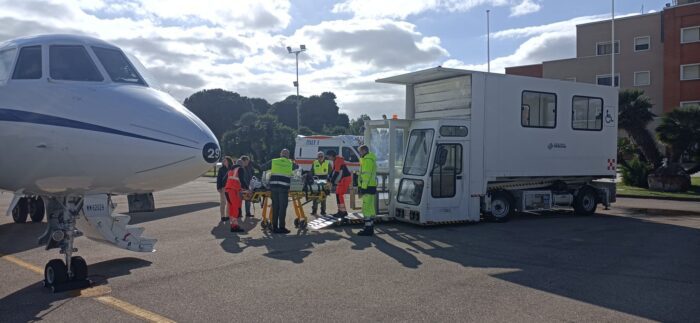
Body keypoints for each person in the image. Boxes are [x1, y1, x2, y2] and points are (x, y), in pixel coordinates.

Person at [265, 149, 297, 234]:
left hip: (274, 187)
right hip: (283, 188)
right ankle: (281, 227)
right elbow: (298, 171)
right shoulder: (291, 163)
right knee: (282, 208)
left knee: (275, 207)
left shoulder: (274, 161)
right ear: (288, 155)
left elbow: (262, 168)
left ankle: (274, 227)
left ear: (280, 154)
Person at [356, 145, 377, 236]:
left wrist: (362, 188)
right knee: (371, 208)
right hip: (371, 186)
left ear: (364, 151)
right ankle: (370, 227)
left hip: (367, 187)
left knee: (366, 208)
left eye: (360, 151)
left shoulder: (367, 160)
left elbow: (366, 175)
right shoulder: (369, 159)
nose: (359, 153)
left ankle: (368, 229)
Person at [327, 150, 352, 219]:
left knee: (339, 194)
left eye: (328, 157)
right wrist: (329, 178)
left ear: (332, 155)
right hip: (343, 179)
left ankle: (342, 212)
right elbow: (333, 170)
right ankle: (341, 211)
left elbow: (337, 172)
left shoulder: (338, 160)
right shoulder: (336, 160)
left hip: (345, 179)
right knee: (338, 194)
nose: (328, 158)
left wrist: (331, 181)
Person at [225, 157, 246, 233]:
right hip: (233, 191)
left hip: (227, 190)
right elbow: (242, 180)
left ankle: (233, 225)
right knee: (236, 207)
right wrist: (247, 188)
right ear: (241, 164)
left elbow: (225, 179)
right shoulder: (240, 169)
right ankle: (235, 226)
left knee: (231, 207)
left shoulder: (231, 169)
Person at [311, 151, 330, 216]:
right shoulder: (314, 162)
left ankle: (323, 211)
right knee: (315, 196)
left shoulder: (327, 163)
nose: (320, 157)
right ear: (317, 157)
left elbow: (330, 172)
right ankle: (314, 211)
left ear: (324, 157)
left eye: (321, 156)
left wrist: (329, 181)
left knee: (323, 197)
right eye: (319, 156)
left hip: (325, 181)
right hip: (316, 181)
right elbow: (312, 172)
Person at [216, 156, 233, 222]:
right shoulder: (221, 169)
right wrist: (218, 187)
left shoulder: (232, 168)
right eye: (223, 160)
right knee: (223, 202)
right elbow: (218, 179)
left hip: (231, 187)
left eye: (225, 160)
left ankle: (227, 215)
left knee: (229, 203)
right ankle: (222, 216)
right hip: (223, 187)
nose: (223, 161)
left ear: (228, 161)